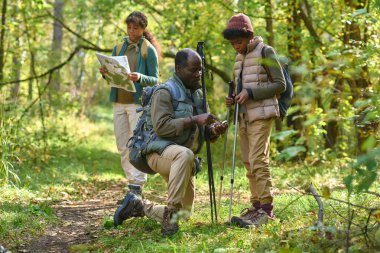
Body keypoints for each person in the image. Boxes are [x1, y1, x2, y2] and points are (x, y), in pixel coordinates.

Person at [113, 48, 228, 236]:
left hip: (183, 159)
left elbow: (202, 131)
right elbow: (162, 128)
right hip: (157, 153)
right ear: (179, 69)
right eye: (193, 69)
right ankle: (170, 213)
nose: (198, 73)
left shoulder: (199, 95)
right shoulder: (165, 91)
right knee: (185, 154)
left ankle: (139, 206)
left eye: (200, 69)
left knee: (184, 215)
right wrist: (193, 119)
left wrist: (213, 130)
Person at [223, 13, 286, 227]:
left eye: (238, 42)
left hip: (262, 113)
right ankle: (256, 206)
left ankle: (267, 210)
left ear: (249, 36)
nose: (235, 47)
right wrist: (233, 98)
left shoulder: (266, 51)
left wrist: (250, 92)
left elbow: (280, 85)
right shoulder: (239, 58)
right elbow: (241, 88)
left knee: (259, 160)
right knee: (249, 163)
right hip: (244, 116)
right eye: (232, 44)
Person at [99, 11, 160, 197]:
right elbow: (112, 73)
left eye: (136, 28)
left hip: (137, 104)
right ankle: (131, 183)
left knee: (136, 145)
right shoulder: (118, 48)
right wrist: (104, 72)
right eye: (129, 27)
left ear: (143, 29)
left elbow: (155, 80)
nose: (132, 31)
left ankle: (137, 187)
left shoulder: (148, 50)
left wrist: (140, 77)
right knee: (122, 145)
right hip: (119, 101)